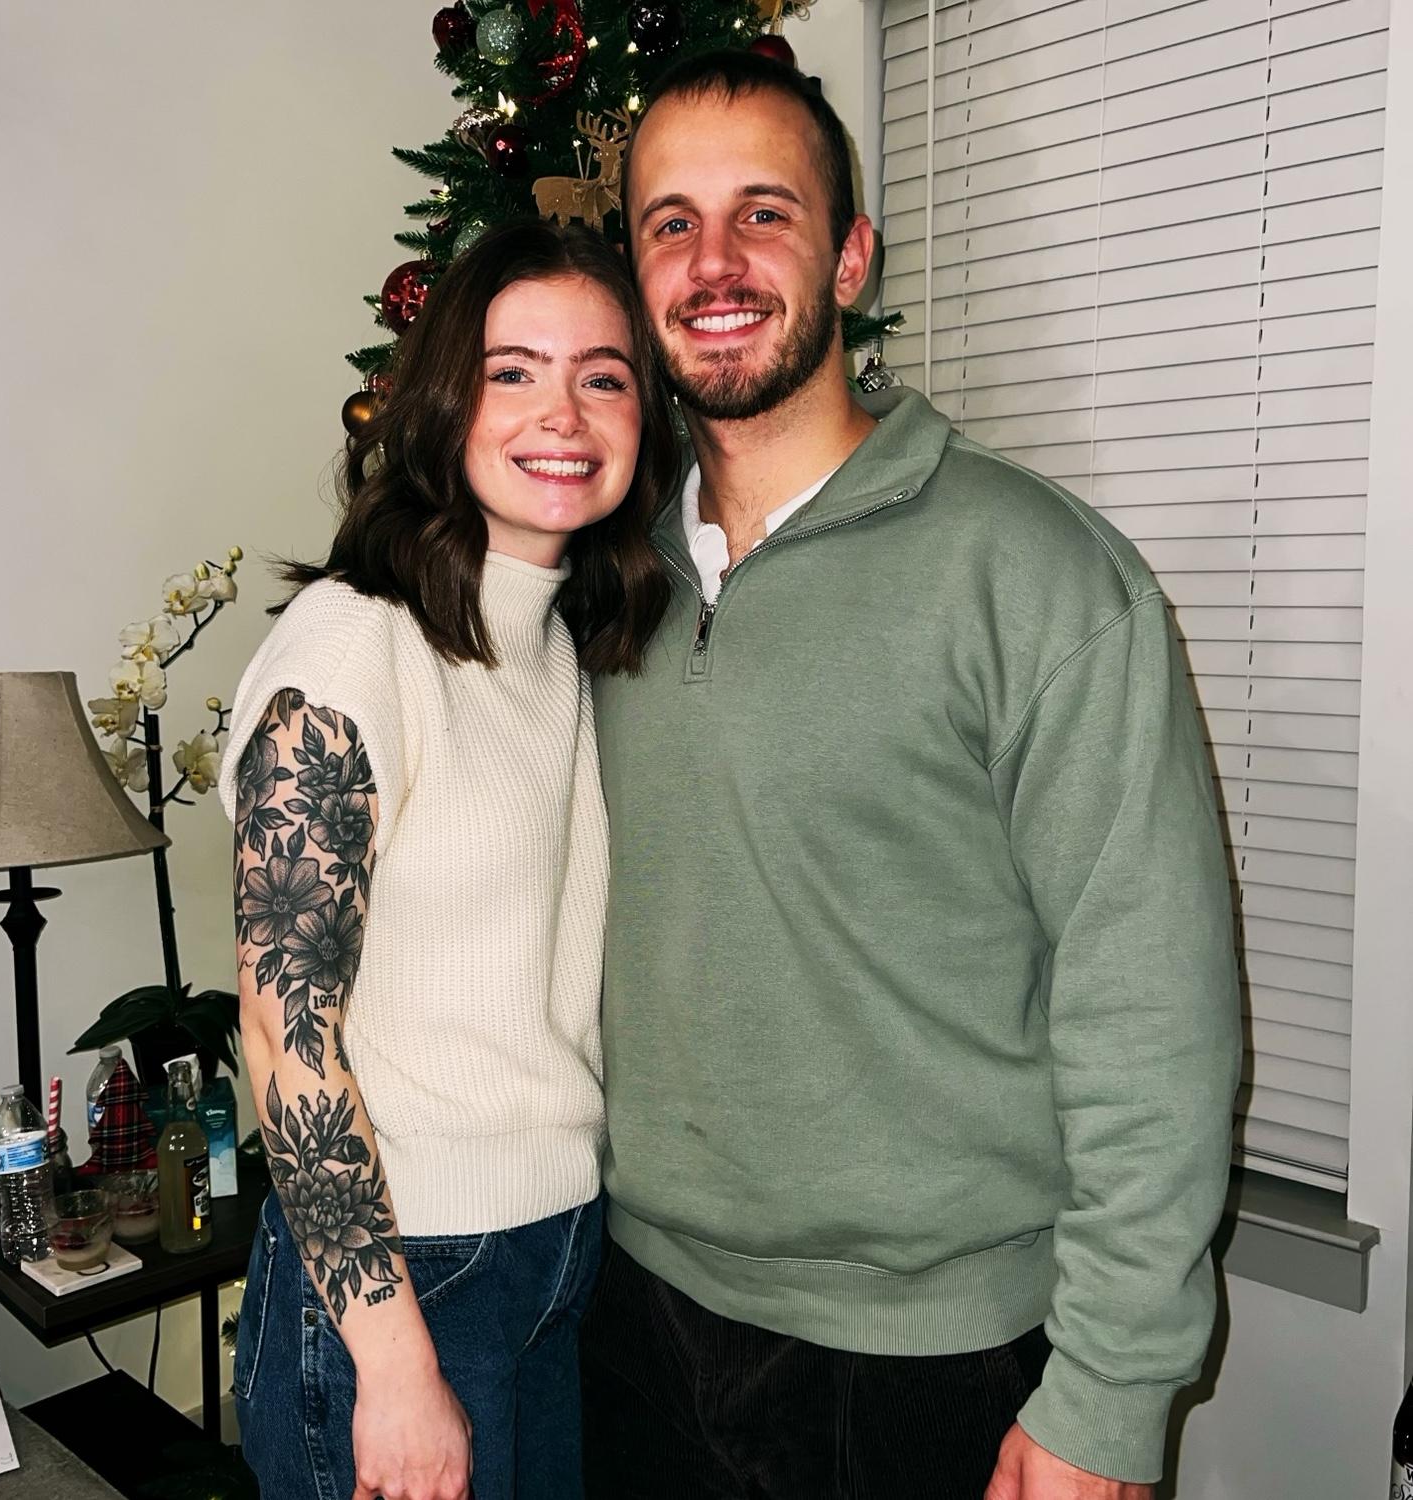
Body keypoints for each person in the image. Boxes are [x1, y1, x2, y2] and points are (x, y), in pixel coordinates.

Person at [580, 50, 1241, 1500]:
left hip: (936, 1362)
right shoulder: (602, 585)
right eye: (672, 224)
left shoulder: (1038, 578)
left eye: (765, 213)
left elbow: (1152, 1010)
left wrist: (1111, 1394)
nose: (714, 262)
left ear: (851, 255)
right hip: (632, 1322)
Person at [217, 220, 678, 1500]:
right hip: (402, 1276)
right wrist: (395, 1364)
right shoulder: (354, 642)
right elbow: (283, 1033)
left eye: (602, 375)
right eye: (511, 371)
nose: (562, 414)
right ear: (442, 403)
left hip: (556, 1250)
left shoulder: (563, 643)